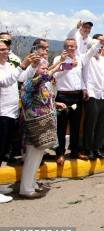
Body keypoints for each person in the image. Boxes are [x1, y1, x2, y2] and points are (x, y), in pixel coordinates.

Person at [0, 41, 38, 203]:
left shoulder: (9, 65)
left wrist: (32, 66)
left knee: (3, 152)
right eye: (1, 49)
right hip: (1, 114)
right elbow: (5, 82)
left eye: (6, 49)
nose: (5, 52)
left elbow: (21, 77)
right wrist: (22, 65)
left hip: (12, 113)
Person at [19, 59, 62, 199]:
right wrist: (57, 65)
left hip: (43, 127)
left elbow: (46, 98)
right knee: (32, 158)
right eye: (42, 68)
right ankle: (26, 189)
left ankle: (32, 184)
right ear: (35, 69)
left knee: (37, 157)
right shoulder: (30, 82)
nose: (45, 70)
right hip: (34, 127)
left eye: (46, 68)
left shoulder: (42, 85)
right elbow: (44, 78)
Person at [53, 38, 86, 164]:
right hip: (63, 96)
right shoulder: (58, 59)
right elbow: (55, 76)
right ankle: (60, 153)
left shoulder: (79, 59)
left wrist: (84, 89)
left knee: (76, 126)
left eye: (74, 46)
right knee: (61, 127)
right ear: (65, 47)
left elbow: (81, 77)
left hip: (77, 96)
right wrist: (68, 65)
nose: (72, 49)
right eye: (69, 46)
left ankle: (75, 151)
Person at [81, 34, 104, 160]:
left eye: (101, 47)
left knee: (102, 122)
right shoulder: (86, 58)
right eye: (98, 47)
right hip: (92, 94)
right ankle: (87, 148)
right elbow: (93, 50)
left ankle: (97, 147)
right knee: (91, 122)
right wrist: (100, 42)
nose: (100, 49)